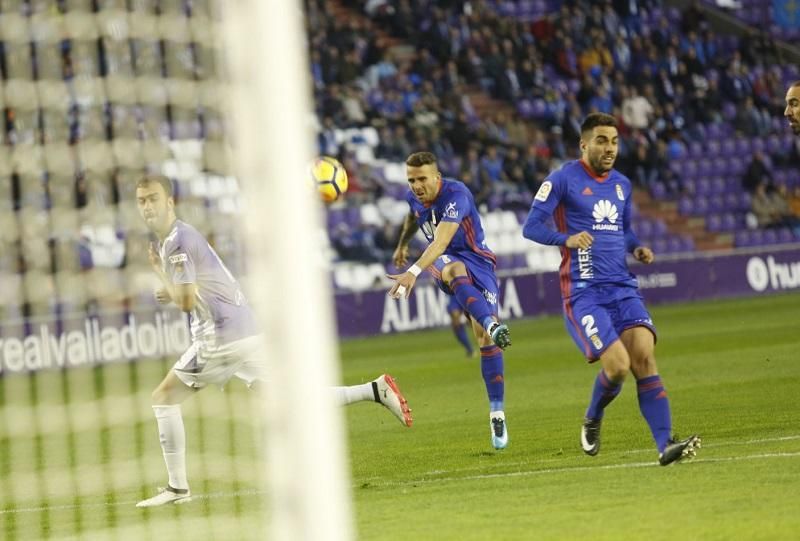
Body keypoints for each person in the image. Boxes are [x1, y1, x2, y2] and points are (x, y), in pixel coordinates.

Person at [134, 174, 412, 507]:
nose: (147, 206)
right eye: (141, 201)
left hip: (221, 337)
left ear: (170, 202)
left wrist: (162, 279)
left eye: (152, 198)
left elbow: (186, 302)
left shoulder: (177, 241)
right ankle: (374, 390)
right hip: (247, 331)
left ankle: (177, 488)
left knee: (163, 397)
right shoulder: (179, 237)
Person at [521, 113, 700, 466]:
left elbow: (624, 229)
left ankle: (665, 445)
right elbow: (531, 227)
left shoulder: (622, 184)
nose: (610, 148)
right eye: (602, 141)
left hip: (622, 287)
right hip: (584, 292)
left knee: (644, 357)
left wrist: (636, 247)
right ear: (583, 144)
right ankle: (593, 417)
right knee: (617, 367)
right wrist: (566, 238)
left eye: (615, 141)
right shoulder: (561, 180)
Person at [388, 151, 511, 450]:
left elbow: (442, 238)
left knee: (486, 341)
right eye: (411, 180)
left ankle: (497, 412)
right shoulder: (413, 197)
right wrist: (403, 246)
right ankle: (492, 324)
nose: (416, 186)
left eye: (422, 179)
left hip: (478, 262)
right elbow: (413, 219)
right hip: (444, 262)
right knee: (453, 268)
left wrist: (411, 272)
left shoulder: (456, 195)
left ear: (437, 178)